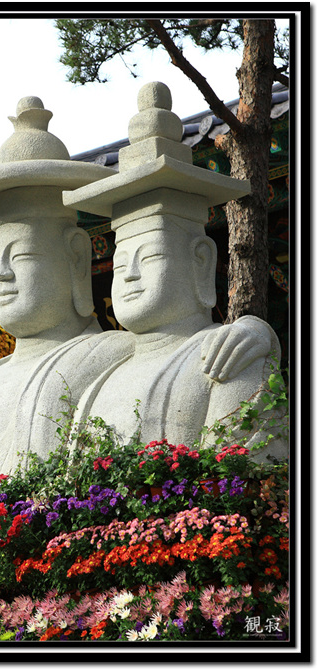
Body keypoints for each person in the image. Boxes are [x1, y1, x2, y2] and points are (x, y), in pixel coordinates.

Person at [0, 92, 282, 490]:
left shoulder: (111, 356)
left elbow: (256, 489)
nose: (2, 275)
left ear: (78, 258)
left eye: (22, 255)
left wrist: (255, 331)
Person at [63, 82, 286, 460]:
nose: (129, 275)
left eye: (149, 257)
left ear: (201, 262)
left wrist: (258, 334)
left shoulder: (227, 358)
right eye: (120, 264)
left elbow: (246, 480)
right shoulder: (98, 384)